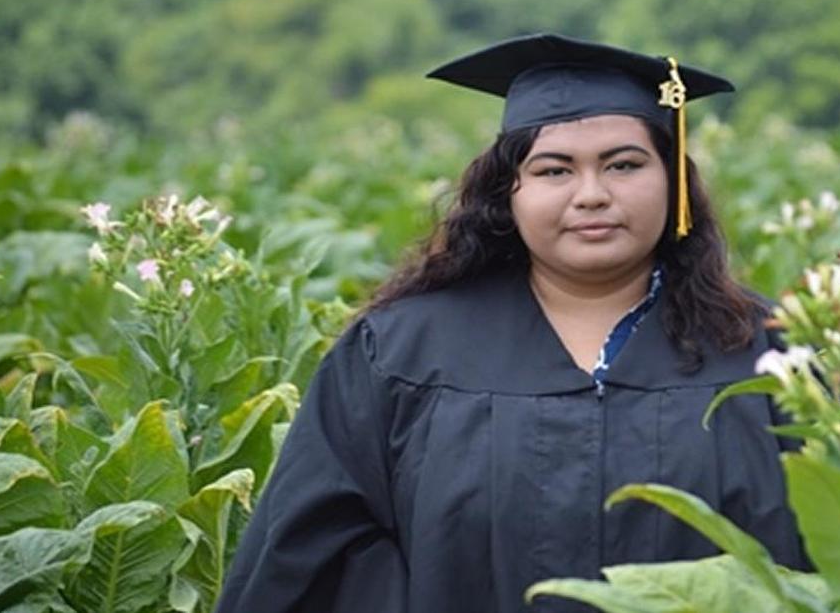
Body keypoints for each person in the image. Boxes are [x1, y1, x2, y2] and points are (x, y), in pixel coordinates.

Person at [216, 33, 809, 613]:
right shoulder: (401, 353)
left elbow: (832, 564)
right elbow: (315, 556)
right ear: (508, 192)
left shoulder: (766, 354)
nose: (592, 194)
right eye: (554, 171)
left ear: (674, 181)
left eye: (624, 165)